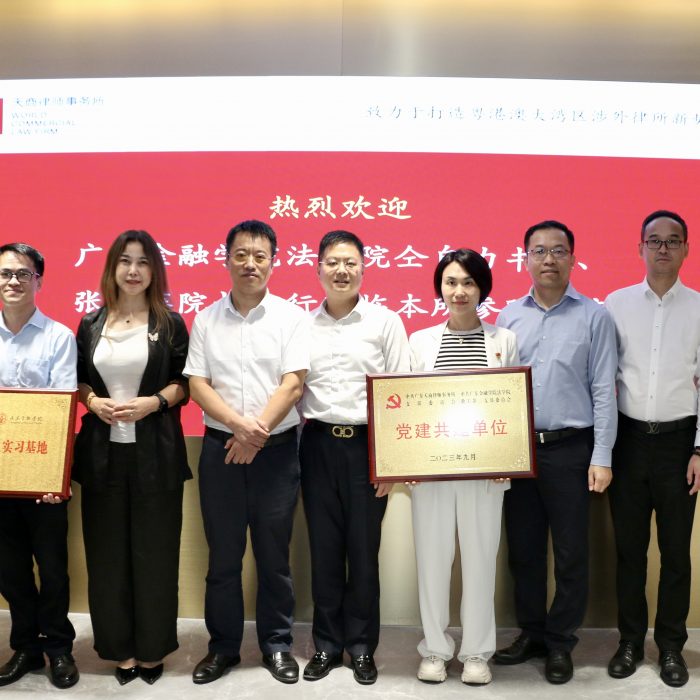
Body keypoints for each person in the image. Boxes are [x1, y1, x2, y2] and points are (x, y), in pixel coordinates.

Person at [184, 219, 309, 685]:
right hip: (221, 452)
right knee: (223, 558)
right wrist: (239, 428)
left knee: (274, 557)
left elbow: (293, 384)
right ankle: (223, 648)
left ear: (273, 262)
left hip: (277, 454)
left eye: (260, 255)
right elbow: (198, 384)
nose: (250, 264)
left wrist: (254, 435)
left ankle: (276, 645)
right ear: (226, 260)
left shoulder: (291, 317)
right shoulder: (206, 319)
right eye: (241, 254)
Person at [494, 220, 617, 684]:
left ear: (572, 258)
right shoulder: (509, 317)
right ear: (525, 258)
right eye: (539, 251)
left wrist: (601, 455)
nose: (549, 259)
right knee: (523, 551)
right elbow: (497, 388)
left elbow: (603, 389)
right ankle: (532, 634)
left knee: (570, 552)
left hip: (571, 450)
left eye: (558, 251)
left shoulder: (594, 316)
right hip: (519, 450)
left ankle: (561, 641)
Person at [73, 230, 191, 686]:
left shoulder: (170, 323)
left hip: (156, 457)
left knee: (155, 554)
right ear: (112, 268)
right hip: (102, 458)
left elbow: (184, 383)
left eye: (143, 262)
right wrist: (92, 402)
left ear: (155, 270)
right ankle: (119, 650)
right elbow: (80, 380)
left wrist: (153, 403)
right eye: (125, 261)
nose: (134, 270)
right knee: (107, 558)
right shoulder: (91, 323)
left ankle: (151, 650)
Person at [299, 230, 410, 685]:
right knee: (324, 551)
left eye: (350, 262)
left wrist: (391, 462)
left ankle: (362, 647)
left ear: (364, 267)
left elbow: (400, 391)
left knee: (363, 553)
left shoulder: (385, 322)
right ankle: (327, 645)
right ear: (318, 269)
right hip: (318, 444)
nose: (341, 270)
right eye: (332, 262)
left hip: (368, 446)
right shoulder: (301, 325)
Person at [408, 249, 519, 686]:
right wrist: (405, 462)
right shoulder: (419, 341)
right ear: (440, 287)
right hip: (430, 472)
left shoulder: (503, 340)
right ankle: (435, 651)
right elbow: (406, 406)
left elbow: (512, 403)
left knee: (480, 562)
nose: (459, 291)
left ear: (482, 288)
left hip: (485, 473)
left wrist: (507, 457)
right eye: (451, 282)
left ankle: (476, 653)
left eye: (469, 282)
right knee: (432, 562)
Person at [604, 210, 700, 688]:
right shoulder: (615, 304)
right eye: (654, 240)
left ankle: (670, 647)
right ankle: (629, 642)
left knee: (676, 553)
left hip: (681, 445)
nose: (663, 248)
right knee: (630, 552)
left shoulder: (699, 307)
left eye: (673, 240)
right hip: (628, 441)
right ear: (639, 247)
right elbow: (602, 379)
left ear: (686, 249)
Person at [0, 243, 79, 689]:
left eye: (22, 274)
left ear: (39, 281)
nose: (13, 281)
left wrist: (53, 475)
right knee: (9, 569)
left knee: (52, 569)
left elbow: (60, 412)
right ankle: (26, 647)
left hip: (44, 481)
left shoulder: (58, 337)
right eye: (5, 273)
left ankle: (59, 648)